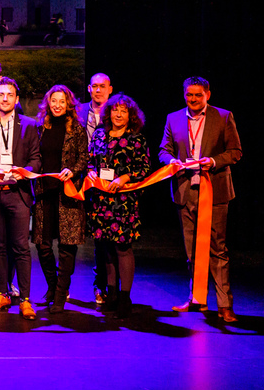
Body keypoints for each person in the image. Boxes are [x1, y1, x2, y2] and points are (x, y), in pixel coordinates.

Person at [159, 76, 243, 322]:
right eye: (189, 94)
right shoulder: (173, 118)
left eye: (198, 94)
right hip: (185, 191)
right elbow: (164, 150)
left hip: (214, 191)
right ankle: (197, 299)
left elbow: (235, 151)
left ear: (208, 94)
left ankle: (224, 305)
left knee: (217, 248)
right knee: (192, 250)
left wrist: (214, 161)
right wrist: (171, 161)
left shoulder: (223, 117)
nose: (193, 99)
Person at [0, 77, 41, 319]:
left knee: (21, 247)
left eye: (9, 95)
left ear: (16, 98)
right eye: (1, 94)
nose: (5, 98)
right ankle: (2, 293)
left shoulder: (29, 124)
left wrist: (23, 171)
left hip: (18, 194)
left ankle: (24, 299)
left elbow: (36, 159)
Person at [88, 93, 151, 319]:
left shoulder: (136, 139)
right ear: (109, 112)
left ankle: (125, 298)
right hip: (101, 200)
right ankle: (112, 294)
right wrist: (91, 172)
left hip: (123, 202)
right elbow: (90, 160)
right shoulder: (99, 134)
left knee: (122, 248)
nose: (119, 114)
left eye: (124, 111)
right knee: (105, 247)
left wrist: (124, 178)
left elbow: (144, 168)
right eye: (115, 110)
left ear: (130, 115)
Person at [32, 85, 89, 313]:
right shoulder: (40, 128)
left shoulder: (77, 129)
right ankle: (53, 286)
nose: (57, 105)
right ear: (48, 103)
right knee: (43, 245)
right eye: (53, 101)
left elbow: (84, 157)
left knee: (67, 247)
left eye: (62, 101)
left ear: (68, 104)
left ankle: (60, 294)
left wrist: (72, 171)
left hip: (67, 194)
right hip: (44, 193)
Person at [77, 72, 113, 303]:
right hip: (80, 178)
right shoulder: (79, 111)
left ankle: (102, 285)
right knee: (73, 234)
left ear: (110, 89)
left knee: (104, 238)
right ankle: (62, 288)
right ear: (89, 89)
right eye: (95, 86)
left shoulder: (117, 112)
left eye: (102, 86)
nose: (98, 90)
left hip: (106, 182)